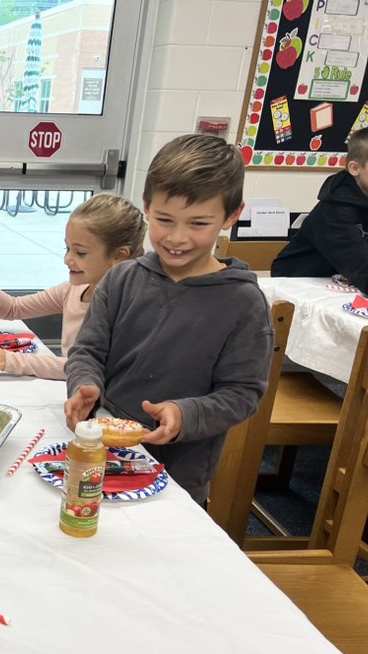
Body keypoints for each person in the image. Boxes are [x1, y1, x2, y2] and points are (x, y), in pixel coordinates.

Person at [64, 134, 273, 506]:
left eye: (198, 224)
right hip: (102, 456)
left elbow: (242, 393)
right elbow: (88, 351)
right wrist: (84, 385)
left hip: (179, 476)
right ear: (146, 207)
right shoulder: (121, 279)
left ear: (230, 216)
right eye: (164, 220)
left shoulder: (243, 302)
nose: (177, 238)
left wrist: (185, 412)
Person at [0, 194, 145, 380]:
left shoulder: (126, 309)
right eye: (67, 248)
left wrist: (16, 362)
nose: (67, 259)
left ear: (119, 256)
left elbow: (87, 369)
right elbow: (13, 309)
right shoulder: (73, 290)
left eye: (80, 252)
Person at [271, 124, 368, 303]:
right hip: (296, 280)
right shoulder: (333, 209)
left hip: (340, 278)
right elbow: (354, 257)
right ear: (355, 168)